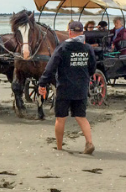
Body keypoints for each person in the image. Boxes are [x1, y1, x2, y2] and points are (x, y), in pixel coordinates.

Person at [37, 20, 97, 154]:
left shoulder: (62, 47)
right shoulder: (88, 48)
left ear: (69, 32)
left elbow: (51, 67)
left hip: (64, 87)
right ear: (82, 33)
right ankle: (89, 142)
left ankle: (59, 147)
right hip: (81, 87)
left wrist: (42, 83)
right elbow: (92, 68)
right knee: (81, 117)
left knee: (60, 117)